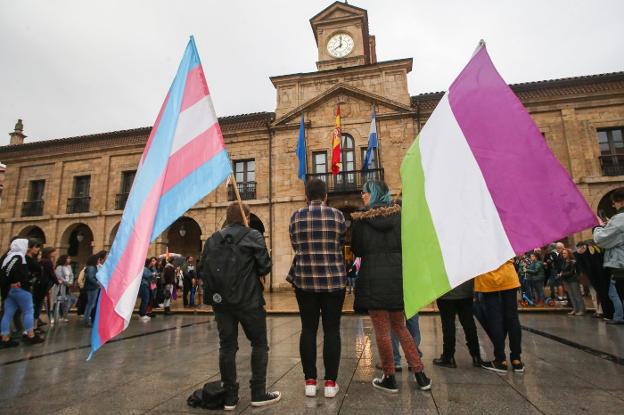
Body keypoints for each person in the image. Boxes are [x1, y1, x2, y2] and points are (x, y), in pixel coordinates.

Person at [351, 180, 431, 392]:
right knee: (400, 326)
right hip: (397, 276)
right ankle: (420, 374)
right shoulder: (400, 216)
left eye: (365, 192)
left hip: (373, 278)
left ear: (374, 194)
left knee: (382, 330)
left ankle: (389, 376)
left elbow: (357, 249)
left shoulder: (360, 219)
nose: (362, 196)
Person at [199, 202, 280, 410]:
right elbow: (265, 266)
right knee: (259, 344)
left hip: (221, 303)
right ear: (246, 216)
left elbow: (201, 270)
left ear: (227, 217)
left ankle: (229, 397)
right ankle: (258, 393)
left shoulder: (212, 240)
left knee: (227, 346)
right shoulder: (253, 236)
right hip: (249, 301)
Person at [287, 178, 347, 398]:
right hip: (333, 282)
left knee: (308, 329)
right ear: (325, 197)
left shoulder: (296, 217)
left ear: (306, 197)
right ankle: (330, 383)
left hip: (305, 281)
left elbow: (295, 245)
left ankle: (310, 382)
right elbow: (340, 244)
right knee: (332, 330)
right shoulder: (338, 216)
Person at [476, 259, 524, 373]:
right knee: (512, 318)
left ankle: (500, 360)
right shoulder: (504, 239)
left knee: (495, 319)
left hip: (488, 277)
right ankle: (517, 360)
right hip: (508, 275)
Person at [1, 238, 45, 347]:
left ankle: (4, 338)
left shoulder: (8, 257)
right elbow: (22, 274)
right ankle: (30, 335)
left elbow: (3, 274)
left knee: (7, 313)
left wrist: (8, 284)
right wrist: (26, 281)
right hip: (21, 289)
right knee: (28, 311)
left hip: (9, 290)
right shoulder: (20, 258)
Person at [433, 279, 483, 368]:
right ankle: (476, 356)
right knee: (469, 323)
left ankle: (449, 357)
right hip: (466, 290)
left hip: (446, 291)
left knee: (448, 325)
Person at [593, 188, 624, 325]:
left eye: (614, 202)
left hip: (621, 265)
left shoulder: (620, 218)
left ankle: (619, 316)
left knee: (618, 293)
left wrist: (598, 227)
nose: (613, 205)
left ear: (620, 202)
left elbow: (601, 239)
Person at [559, 248, 585, 316]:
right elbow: (563, 270)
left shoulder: (573, 261)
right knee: (571, 295)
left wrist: (562, 274)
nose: (563, 254)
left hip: (573, 280)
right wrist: (561, 273)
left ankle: (581, 310)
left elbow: (572, 272)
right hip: (566, 280)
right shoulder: (564, 261)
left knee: (577, 295)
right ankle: (575, 309)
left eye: (565, 253)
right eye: (563, 253)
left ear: (569, 254)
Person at [54, 255, 76, 321]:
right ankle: (61, 315)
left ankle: (64, 314)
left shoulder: (69, 267)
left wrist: (71, 282)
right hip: (62, 286)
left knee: (70, 300)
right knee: (62, 300)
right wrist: (66, 282)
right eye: (68, 258)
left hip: (68, 286)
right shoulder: (59, 267)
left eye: (69, 258)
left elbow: (72, 275)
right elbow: (59, 276)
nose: (69, 259)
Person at [83, 254, 101, 327]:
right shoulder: (91, 268)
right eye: (98, 260)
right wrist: (97, 284)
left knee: (90, 304)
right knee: (91, 304)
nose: (99, 261)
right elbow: (91, 278)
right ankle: (86, 320)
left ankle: (86, 320)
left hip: (92, 287)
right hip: (92, 288)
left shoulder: (91, 267)